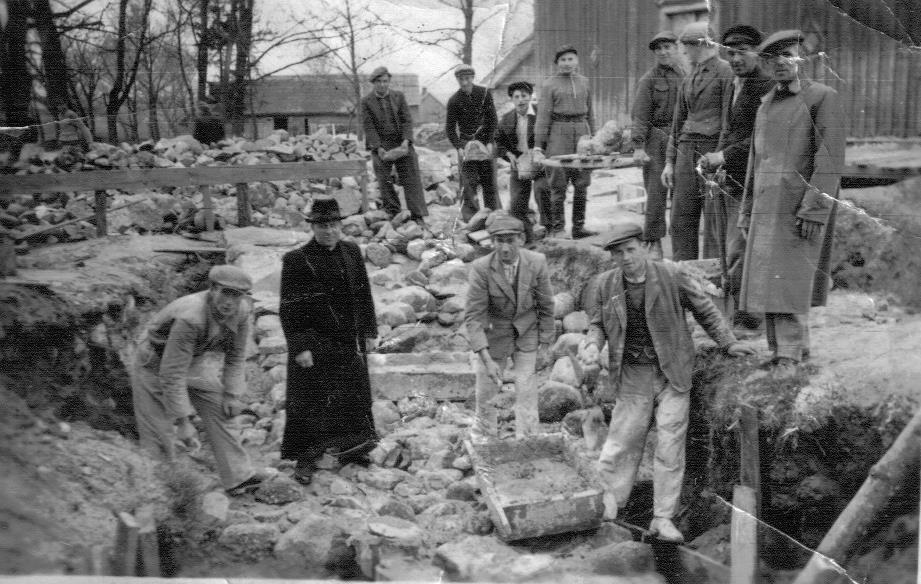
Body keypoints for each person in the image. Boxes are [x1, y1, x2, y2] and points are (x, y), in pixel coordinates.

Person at [582, 221, 752, 542]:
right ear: (613, 257)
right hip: (632, 372)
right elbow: (597, 323)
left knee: (670, 444)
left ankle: (663, 518)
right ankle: (609, 505)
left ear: (645, 248)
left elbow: (705, 310)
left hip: (673, 370)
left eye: (631, 250)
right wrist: (592, 343)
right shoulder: (606, 284)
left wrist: (728, 342)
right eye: (618, 253)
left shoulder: (671, 275)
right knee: (622, 441)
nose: (626, 258)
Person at [738, 30, 845, 373]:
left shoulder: (822, 97)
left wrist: (815, 209)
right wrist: (746, 209)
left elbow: (829, 158)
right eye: (772, 59)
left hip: (798, 206)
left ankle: (791, 353)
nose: (781, 63)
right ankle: (781, 352)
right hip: (766, 206)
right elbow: (756, 161)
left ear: (802, 57)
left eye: (788, 55)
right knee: (767, 278)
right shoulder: (766, 103)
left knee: (790, 277)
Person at [130, 265, 265, 495]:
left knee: (220, 406)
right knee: (158, 431)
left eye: (237, 295)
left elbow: (236, 356)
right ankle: (164, 492)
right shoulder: (191, 318)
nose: (229, 301)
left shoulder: (242, 312)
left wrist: (232, 394)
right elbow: (171, 374)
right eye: (225, 292)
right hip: (153, 363)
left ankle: (239, 476)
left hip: (193, 358)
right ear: (212, 289)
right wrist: (183, 421)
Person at [279, 196, 379, 485]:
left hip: (346, 338)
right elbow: (289, 306)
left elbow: (364, 294)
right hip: (313, 341)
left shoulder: (351, 251)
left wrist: (369, 331)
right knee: (309, 400)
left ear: (340, 225)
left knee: (353, 394)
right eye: (323, 226)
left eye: (334, 225)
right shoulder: (296, 260)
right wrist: (299, 346)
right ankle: (306, 457)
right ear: (313, 227)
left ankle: (352, 448)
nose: (329, 231)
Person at [697, 24, 773, 328]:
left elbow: (759, 135)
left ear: (757, 53)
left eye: (743, 52)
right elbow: (729, 130)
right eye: (731, 53)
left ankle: (750, 316)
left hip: (755, 178)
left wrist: (724, 156)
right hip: (732, 177)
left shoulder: (766, 86)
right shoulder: (734, 84)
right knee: (730, 244)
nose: (736, 58)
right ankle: (737, 311)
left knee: (743, 246)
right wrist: (716, 157)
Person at [464, 213, 555, 440]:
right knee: (487, 390)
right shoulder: (481, 268)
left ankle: (529, 439)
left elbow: (546, 305)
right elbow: (474, 316)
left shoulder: (537, 262)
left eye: (510, 240)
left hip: (527, 332)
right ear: (491, 242)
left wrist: (544, 346)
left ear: (521, 240)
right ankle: (484, 438)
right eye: (499, 241)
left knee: (526, 388)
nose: (504, 247)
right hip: (494, 334)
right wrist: (485, 359)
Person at [661, 23, 733, 261]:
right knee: (681, 217)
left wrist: (720, 157)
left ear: (701, 45)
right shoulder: (690, 74)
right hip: (685, 150)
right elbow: (677, 122)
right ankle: (682, 273)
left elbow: (727, 122)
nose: (683, 52)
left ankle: (713, 275)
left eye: (687, 47)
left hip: (711, 151)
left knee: (714, 220)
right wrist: (669, 163)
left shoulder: (726, 72)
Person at [534, 44, 599, 239]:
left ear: (577, 61)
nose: (567, 63)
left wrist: (594, 138)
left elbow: (591, 113)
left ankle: (579, 227)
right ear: (557, 63)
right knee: (558, 183)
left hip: (582, 132)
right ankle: (558, 228)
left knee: (582, 183)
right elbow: (543, 117)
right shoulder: (549, 85)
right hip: (558, 133)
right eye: (563, 60)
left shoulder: (585, 82)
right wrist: (539, 145)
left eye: (571, 59)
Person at [631, 31, 685, 259]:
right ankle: (653, 242)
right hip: (657, 139)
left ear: (676, 48)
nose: (663, 52)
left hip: (683, 137)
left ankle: (680, 242)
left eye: (667, 47)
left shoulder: (685, 74)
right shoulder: (649, 79)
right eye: (658, 49)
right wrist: (638, 146)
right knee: (656, 192)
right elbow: (640, 115)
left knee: (682, 191)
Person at [361, 66, 429, 223]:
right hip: (382, 144)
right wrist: (378, 147)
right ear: (374, 83)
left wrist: (406, 142)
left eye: (385, 81)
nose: (383, 85)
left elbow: (407, 120)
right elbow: (369, 127)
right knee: (383, 174)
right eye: (379, 82)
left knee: (411, 174)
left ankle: (417, 214)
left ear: (389, 81)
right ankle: (393, 210)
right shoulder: (366, 102)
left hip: (401, 141)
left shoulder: (399, 97)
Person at [495, 81, 551, 243]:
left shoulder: (542, 114)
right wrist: (508, 154)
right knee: (516, 204)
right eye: (516, 97)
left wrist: (544, 154)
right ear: (512, 99)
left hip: (541, 161)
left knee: (543, 191)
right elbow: (498, 140)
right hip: (519, 163)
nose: (521, 100)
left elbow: (553, 136)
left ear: (530, 96)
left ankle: (549, 229)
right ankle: (529, 236)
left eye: (524, 96)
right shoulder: (507, 118)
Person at [445, 64, 499, 222]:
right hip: (466, 143)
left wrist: (489, 141)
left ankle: (494, 216)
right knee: (468, 184)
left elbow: (493, 120)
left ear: (472, 78)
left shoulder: (484, 93)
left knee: (490, 181)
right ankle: (471, 218)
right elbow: (449, 128)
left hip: (484, 141)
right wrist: (459, 147)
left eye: (467, 79)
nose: (464, 83)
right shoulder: (454, 100)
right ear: (457, 80)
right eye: (461, 79)